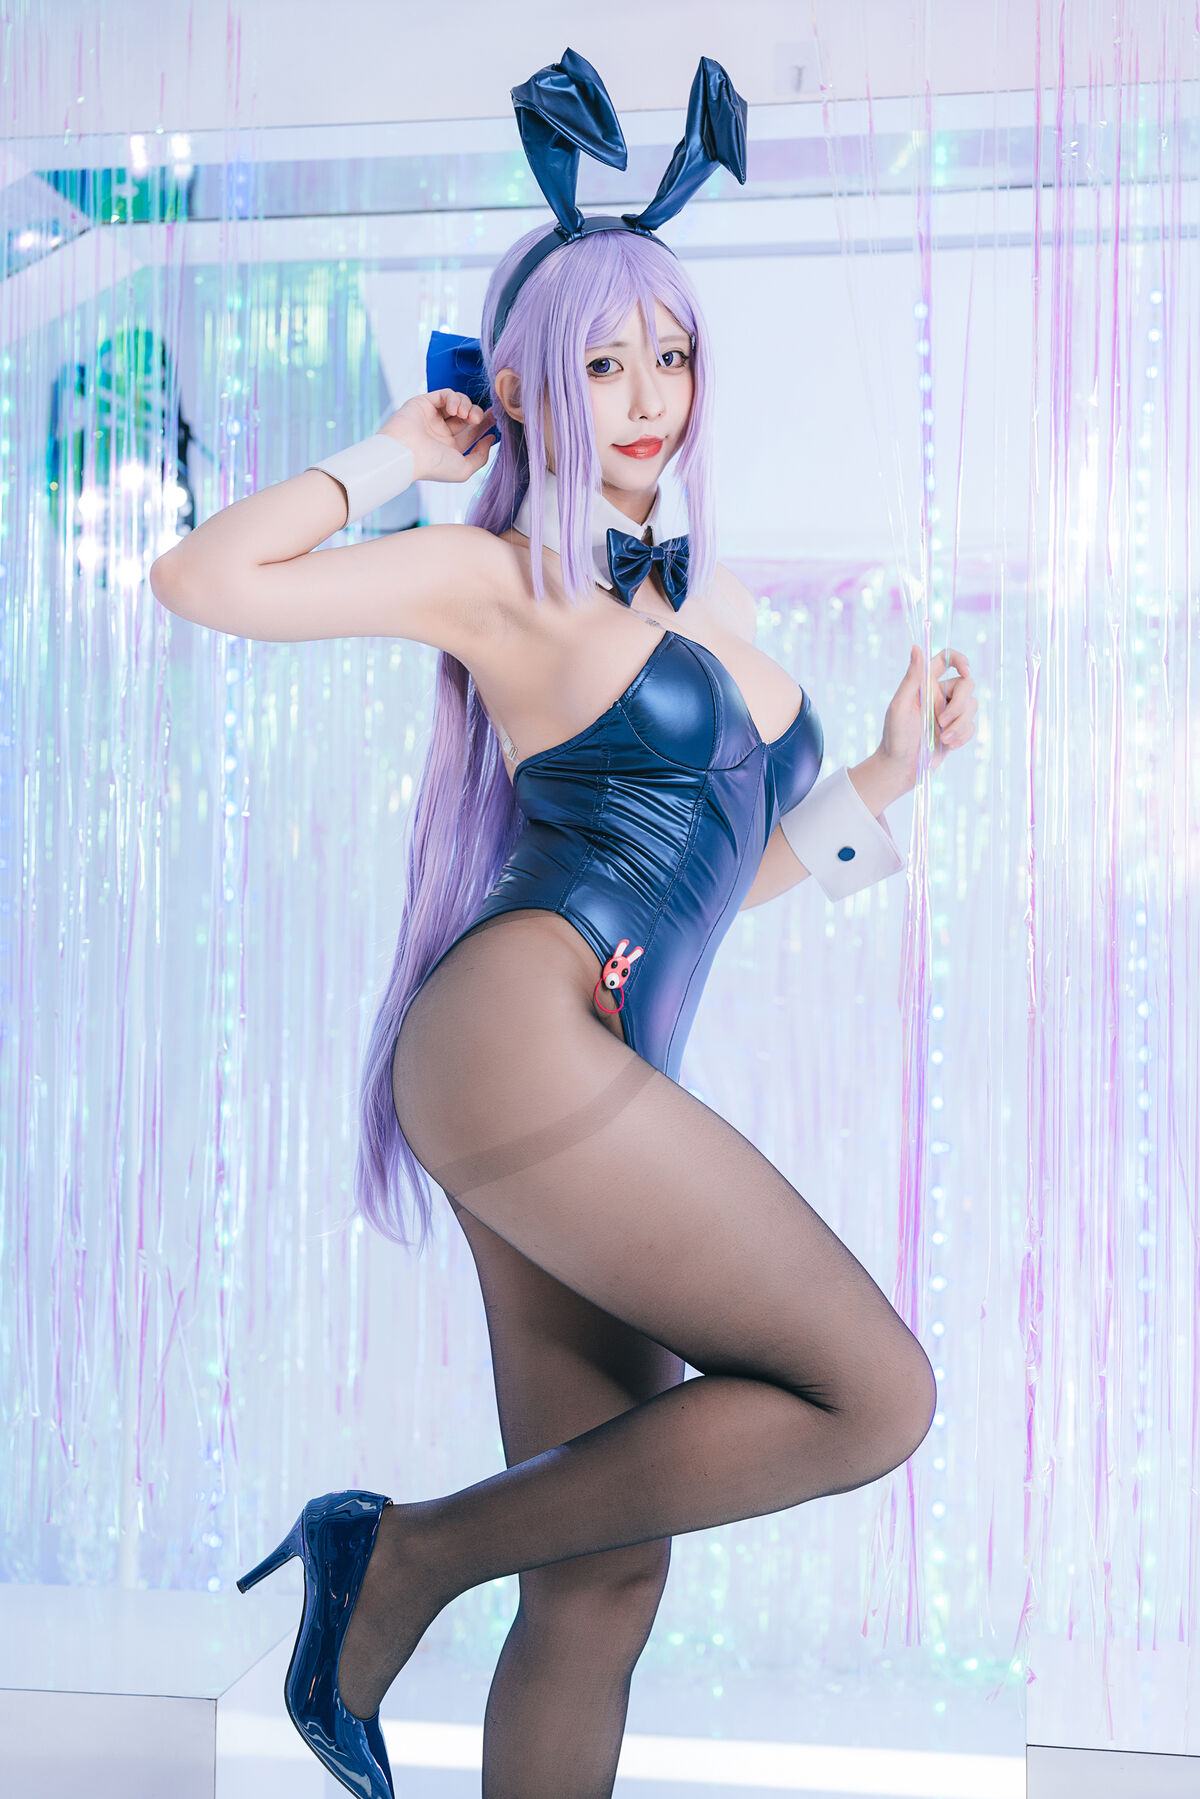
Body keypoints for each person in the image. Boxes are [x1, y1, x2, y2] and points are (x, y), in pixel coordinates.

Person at [151, 48, 978, 1799]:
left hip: (587, 1060)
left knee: (604, 1573)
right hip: (519, 1034)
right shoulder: (500, 575)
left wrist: (888, 779)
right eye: (603, 363)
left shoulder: (705, 587)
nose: (649, 395)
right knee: (876, 1396)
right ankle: (406, 1557)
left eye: (671, 354)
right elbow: (202, 580)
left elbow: (721, 879)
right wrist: (394, 453)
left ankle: (408, 1561)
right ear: (528, 386)